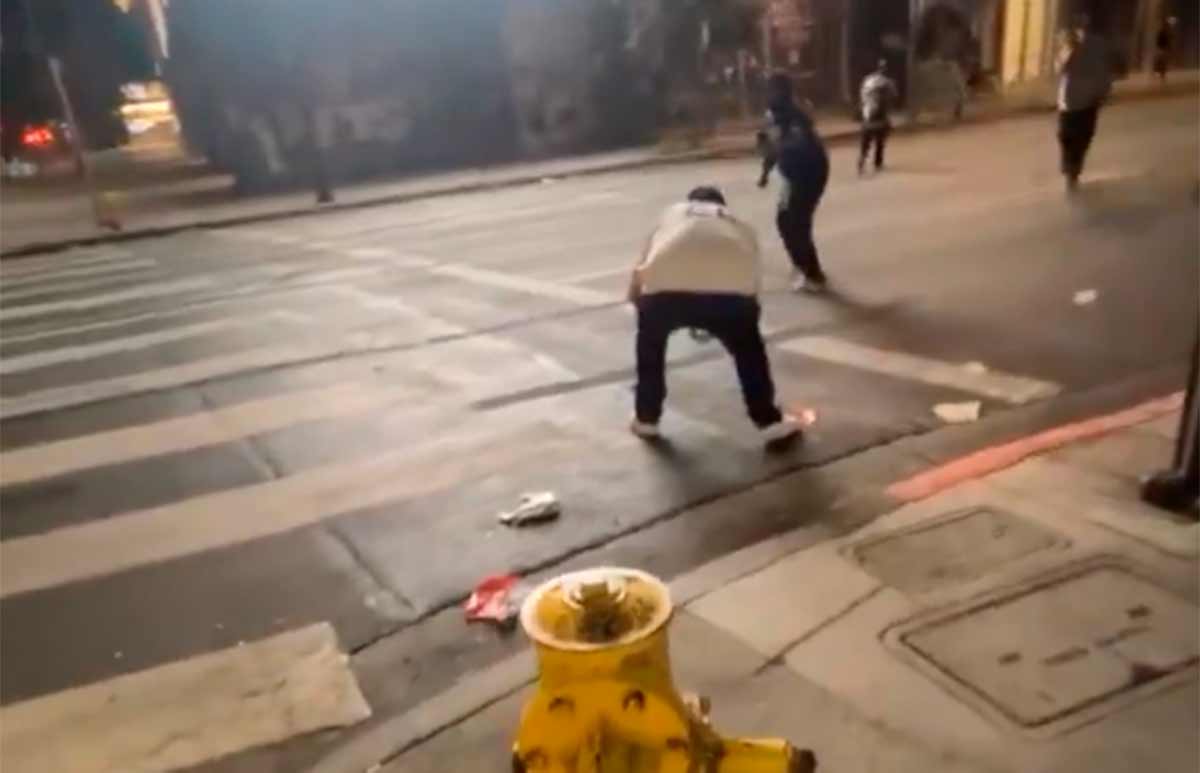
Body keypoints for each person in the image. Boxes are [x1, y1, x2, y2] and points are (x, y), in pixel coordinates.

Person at [627, 186, 803, 449]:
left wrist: (638, 299)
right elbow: (753, 276)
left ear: (691, 202)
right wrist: (745, 321)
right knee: (750, 355)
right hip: (730, 298)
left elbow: (645, 258)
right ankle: (769, 423)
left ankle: (646, 419)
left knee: (650, 349)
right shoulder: (739, 224)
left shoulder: (673, 213)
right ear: (721, 205)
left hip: (664, 294)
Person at [757, 73, 830, 293]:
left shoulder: (795, 114)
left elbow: (797, 144)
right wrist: (765, 173)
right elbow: (771, 147)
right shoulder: (774, 113)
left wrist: (779, 144)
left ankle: (812, 273)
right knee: (787, 222)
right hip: (794, 175)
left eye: (773, 89)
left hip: (809, 173)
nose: (769, 93)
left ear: (783, 91)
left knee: (795, 223)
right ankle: (806, 267)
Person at [1055, 15, 1113, 192]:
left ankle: (1073, 168)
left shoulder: (1094, 47)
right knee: (1071, 137)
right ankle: (1071, 168)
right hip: (1074, 102)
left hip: (1083, 101)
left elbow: (1104, 73)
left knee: (1079, 137)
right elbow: (1062, 67)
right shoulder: (1072, 45)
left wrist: (1102, 94)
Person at [858, 59, 899, 175]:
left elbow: (862, 95)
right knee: (880, 139)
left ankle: (861, 161)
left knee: (866, 141)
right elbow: (894, 96)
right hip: (880, 115)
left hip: (867, 113)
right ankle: (878, 162)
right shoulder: (888, 82)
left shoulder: (867, 80)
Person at [1154, 16, 1178, 83]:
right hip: (1162, 48)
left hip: (1162, 48)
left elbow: (1168, 40)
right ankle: (1161, 73)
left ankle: (1161, 74)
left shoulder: (1164, 32)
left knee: (1162, 61)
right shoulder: (1164, 32)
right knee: (1162, 61)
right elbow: (1166, 40)